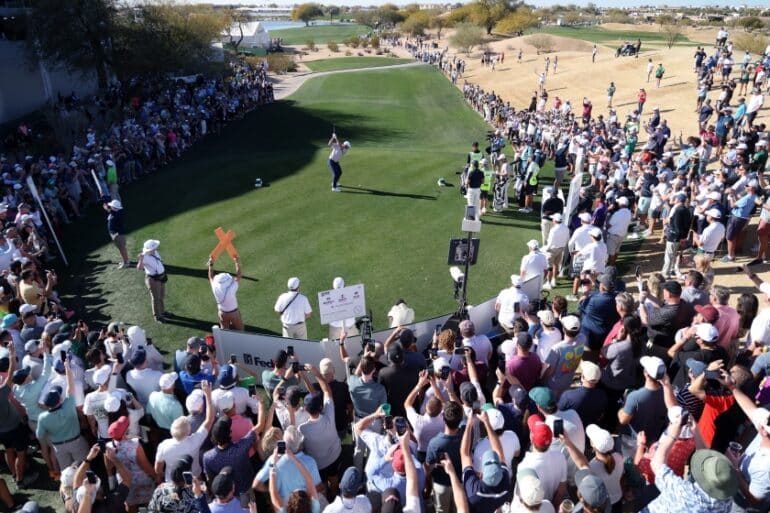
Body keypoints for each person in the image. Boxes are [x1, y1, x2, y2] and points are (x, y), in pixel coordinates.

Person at [208, 254, 244, 331]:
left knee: (225, 333)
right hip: (234, 313)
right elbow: (239, 275)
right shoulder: (231, 287)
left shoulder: (215, 286)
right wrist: (236, 262)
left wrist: (211, 264)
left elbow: (210, 276)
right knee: (241, 331)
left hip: (222, 313)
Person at [136, 239, 168, 322]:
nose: (154, 250)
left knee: (161, 296)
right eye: (153, 249)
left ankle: (162, 312)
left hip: (161, 277)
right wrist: (140, 260)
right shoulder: (144, 256)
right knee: (155, 298)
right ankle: (157, 316)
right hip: (153, 279)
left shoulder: (155, 252)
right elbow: (139, 268)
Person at [104, 199, 129, 269]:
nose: (110, 206)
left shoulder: (117, 214)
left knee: (122, 248)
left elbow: (112, 212)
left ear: (115, 208)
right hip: (115, 234)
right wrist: (107, 209)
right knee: (120, 248)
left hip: (118, 235)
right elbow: (111, 211)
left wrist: (107, 208)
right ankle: (125, 260)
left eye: (111, 206)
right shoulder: (115, 212)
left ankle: (126, 262)